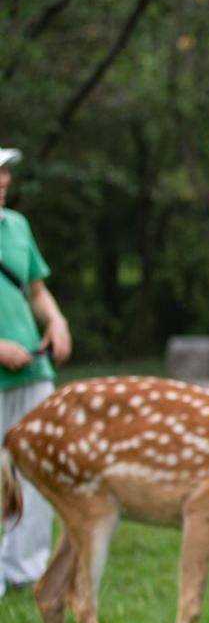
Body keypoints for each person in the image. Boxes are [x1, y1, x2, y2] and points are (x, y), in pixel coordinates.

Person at [0, 149, 72, 595]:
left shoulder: (17, 226)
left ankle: (26, 567)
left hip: (32, 367)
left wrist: (57, 321)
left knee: (36, 466)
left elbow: (37, 289)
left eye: (4, 171)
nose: (3, 179)